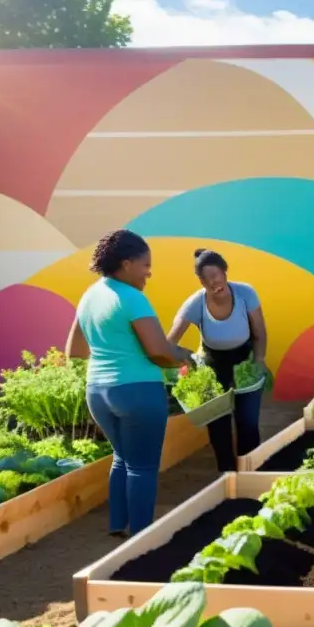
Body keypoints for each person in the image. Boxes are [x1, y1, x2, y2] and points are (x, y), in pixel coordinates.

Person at [65, 229, 194, 537]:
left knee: (123, 458)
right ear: (125, 264)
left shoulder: (90, 295)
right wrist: (186, 356)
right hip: (137, 391)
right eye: (145, 265)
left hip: (98, 392)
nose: (149, 272)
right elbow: (160, 352)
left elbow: (76, 351)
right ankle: (140, 538)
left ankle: (116, 525)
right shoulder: (133, 298)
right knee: (143, 467)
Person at [167, 249, 267, 472]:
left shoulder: (245, 294)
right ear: (200, 281)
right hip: (212, 366)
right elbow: (169, 341)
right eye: (206, 278)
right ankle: (227, 476)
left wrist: (259, 361)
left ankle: (251, 472)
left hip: (245, 361)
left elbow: (260, 333)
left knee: (248, 423)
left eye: (217, 275)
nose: (214, 282)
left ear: (225, 272)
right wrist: (184, 356)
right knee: (218, 426)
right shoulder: (195, 303)